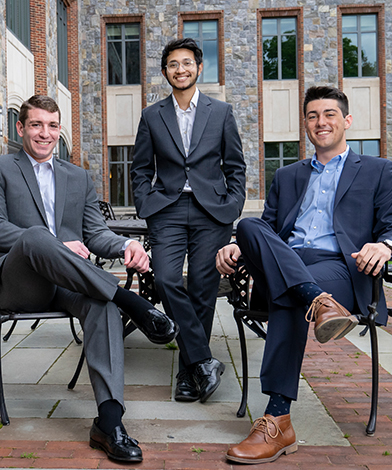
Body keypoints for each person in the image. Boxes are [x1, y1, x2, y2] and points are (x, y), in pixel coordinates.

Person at [0, 95, 177, 463]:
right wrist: (55, 243)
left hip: (68, 284)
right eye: (36, 125)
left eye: (52, 126)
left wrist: (127, 244)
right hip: (20, 284)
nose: (44, 133)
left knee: (100, 305)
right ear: (20, 129)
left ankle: (110, 424)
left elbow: (96, 234)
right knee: (37, 236)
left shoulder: (78, 177)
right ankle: (131, 302)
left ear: (60, 130)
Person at [216, 86, 392, 464]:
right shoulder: (287, 175)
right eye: (312, 116)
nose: (320, 122)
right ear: (305, 124)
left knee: (287, 295)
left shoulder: (378, 170)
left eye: (329, 114)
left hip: (339, 265)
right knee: (248, 228)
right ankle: (317, 302)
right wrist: (238, 247)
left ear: (347, 121)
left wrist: (384, 246)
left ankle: (276, 417)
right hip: (289, 262)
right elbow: (268, 229)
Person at [130, 38, 246, 404]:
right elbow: (140, 168)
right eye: (172, 64)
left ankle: (188, 373)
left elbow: (236, 167)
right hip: (167, 209)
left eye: (187, 63)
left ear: (199, 67)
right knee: (164, 279)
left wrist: (231, 207)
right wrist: (147, 203)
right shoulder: (152, 115)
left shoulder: (221, 112)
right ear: (165, 72)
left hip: (212, 211)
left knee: (202, 287)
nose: (180, 69)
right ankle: (203, 361)